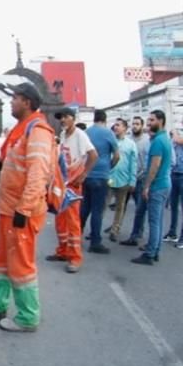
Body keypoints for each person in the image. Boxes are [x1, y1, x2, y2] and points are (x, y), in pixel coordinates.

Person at [0, 83, 52, 333]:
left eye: (15, 98)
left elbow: (38, 174)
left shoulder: (37, 130)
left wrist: (24, 209)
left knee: (22, 266)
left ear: (27, 102)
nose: (10, 102)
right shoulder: (22, 129)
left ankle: (28, 317)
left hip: (21, 212)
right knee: (3, 262)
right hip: (10, 209)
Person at [46, 107, 96, 273]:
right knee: (60, 219)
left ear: (73, 118)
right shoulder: (63, 135)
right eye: (60, 117)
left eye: (66, 117)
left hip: (73, 185)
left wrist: (84, 175)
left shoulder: (80, 136)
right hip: (62, 184)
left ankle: (75, 258)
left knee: (73, 222)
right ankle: (63, 251)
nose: (62, 120)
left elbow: (93, 155)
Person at [132, 111, 172, 265]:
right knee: (158, 220)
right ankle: (155, 250)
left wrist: (146, 186)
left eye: (152, 120)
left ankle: (150, 254)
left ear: (160, 121)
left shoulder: (158, 142)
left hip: (157, 186)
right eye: (148, 120)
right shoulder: (164, 139)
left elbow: (154, 166)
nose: (149, 123)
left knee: (154, 221)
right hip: (163, 184)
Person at [81, 110, 119, 253]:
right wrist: (109, 166)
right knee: (97, 210)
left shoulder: (87, 133)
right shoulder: (108, 133)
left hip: (87, 174)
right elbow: (117, 155)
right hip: (101, 175)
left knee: (84, 208)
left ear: (94, 118)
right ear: (105, 120)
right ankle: (95, 242)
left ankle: (75, 237)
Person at [120, 117, 151, 247]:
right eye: (133, 124)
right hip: (126, 178)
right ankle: (116, 227)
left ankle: (137, 233)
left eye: (137, 124)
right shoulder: (128, 140)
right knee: (121, 205)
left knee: (140, 209)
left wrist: (142, 175)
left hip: (140, 179)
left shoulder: (147, 141)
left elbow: (148, 161)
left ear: (142, 126)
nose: (134, 126)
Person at [108, 119, 138, 242]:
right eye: (115, 125)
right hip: (109, 178)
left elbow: (134, 163)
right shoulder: (110, 141)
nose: (116, 127)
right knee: (103, 205)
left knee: (120, 207)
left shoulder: (130, 144)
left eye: (118, 125)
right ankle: (96, 231)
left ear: (125, 128)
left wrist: (132, 181)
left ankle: (115, 230)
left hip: (124, 180)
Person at [163, 130, 183, 241]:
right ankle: (172, 232)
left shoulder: (177, 136)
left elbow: (177, 140)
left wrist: (174, 133)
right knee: (173, 207)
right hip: (174, 174)